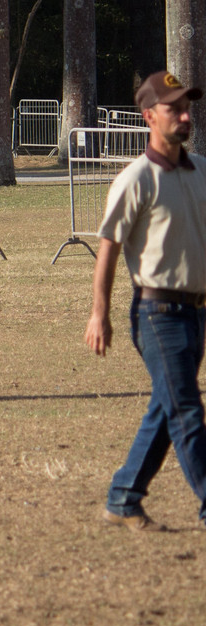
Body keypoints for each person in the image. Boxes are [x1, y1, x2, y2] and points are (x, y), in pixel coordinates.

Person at [85, 70, 206, 531]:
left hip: (197, 314)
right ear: (149, 116)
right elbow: (108, 247)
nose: (185, 115)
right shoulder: (135, 179)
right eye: (175, 108)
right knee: (187, 412)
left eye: (187, 107)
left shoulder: (201, 172)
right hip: (158, 315)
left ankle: (123, 498)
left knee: (168, 405)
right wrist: (100, 313)